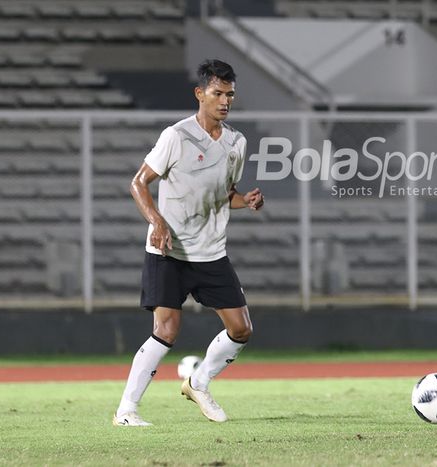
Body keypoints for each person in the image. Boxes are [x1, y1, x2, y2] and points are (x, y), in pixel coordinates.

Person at [113, 59, 264, 426]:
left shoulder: (236, 143)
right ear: (200, 94)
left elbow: (224, 194)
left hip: (211, 252)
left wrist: (247, 200)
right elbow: (138, 182)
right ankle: (126, 411)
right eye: (217, 93)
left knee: (241, 329)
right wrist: (157, 221)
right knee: (166, 330)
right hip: (170, 251)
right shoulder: (175, 136)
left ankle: (198, 383)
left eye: (230, 94)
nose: (225, 101)